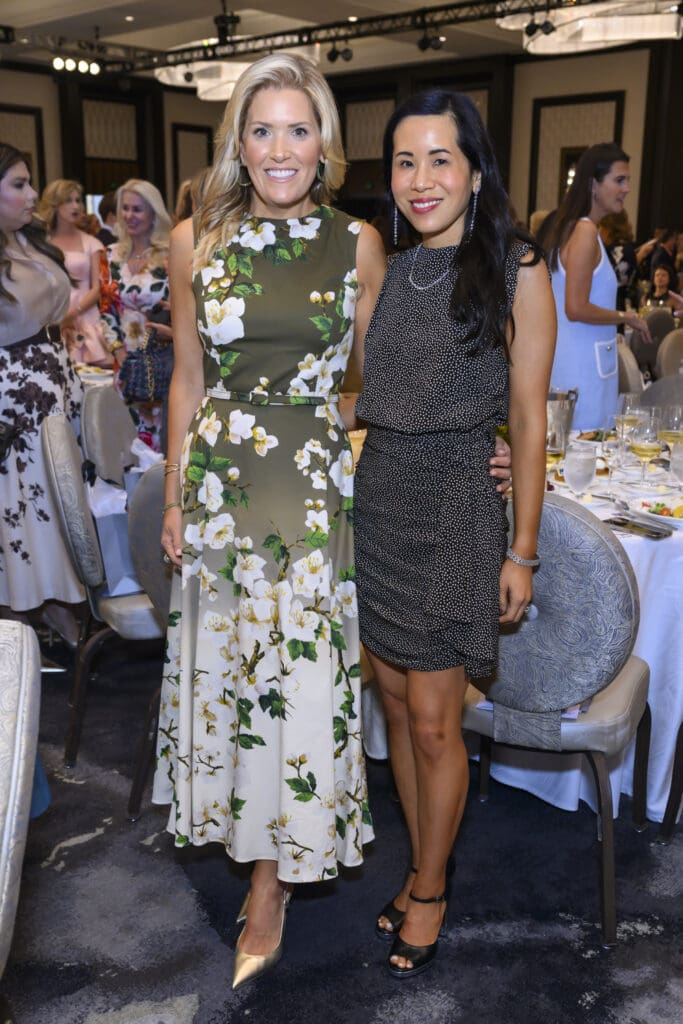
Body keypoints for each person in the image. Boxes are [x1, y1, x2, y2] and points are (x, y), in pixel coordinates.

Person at [154, 56, 514, 990]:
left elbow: (402, 372)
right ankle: (249, 851)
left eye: (298, 130)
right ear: (238, 140)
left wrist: (498, 438)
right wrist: (170, 496)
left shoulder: (357, 243)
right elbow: (188, 377)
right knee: (233, 690)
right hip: (222, 494)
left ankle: (271, 884)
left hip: (314, 499)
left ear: (325, 146)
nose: (280, 149)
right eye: (262, 130)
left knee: (297, 691)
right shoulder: (194, 239)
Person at [353, 90, 555, 979]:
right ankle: (417, 864)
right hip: (382, 501)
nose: (421, 178)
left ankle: (431, 887)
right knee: (394, 708)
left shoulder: (517, 268)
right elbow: (369, 396)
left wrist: (522, 548)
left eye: (440, 159)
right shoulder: (389, 269)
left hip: (455, 513)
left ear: (474, 169)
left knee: (437, 722)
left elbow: (528, 419)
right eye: (404, 161)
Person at [0, 143, 84, 645]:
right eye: (18, 184)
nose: (33, 194)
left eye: (30, 182)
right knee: (28, 513)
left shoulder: (29, 242)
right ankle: (28, 619)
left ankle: (57, 610)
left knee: (59, 505)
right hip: (15, 403)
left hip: (54, 389)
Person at [543, 143, 649, 431]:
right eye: (619, 180)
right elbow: (575, 307)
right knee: (586, 452)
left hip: (576, 362)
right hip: (583, 368)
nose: (626, 188)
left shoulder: (570, 228)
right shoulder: (585, 231)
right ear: (593, 184)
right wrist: (625, 317)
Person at [100, 179, 172, 450]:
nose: (129, 216)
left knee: (160, 441)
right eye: (125, 209)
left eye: (138, 209)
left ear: (154, 213)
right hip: (124, 361)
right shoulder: (109, 256)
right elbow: (106, 309)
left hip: (160, 360)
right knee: (126, 443)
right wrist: (118, 352)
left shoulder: (169, 256)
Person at [39, 178, 111, 366]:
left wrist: (73, 313)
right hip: (50, 317)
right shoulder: (41, 243)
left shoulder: (92, 243)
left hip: (85, 317)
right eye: (68, 200)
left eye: (78, 200)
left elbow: (98, 288)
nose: (76, 205)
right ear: (55, 205)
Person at [599, 210, 638, 312]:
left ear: (608, 229)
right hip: (617, 306)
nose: (598, 231)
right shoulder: (629, 250)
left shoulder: (612, 250)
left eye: (601, 226)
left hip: (607, 307)